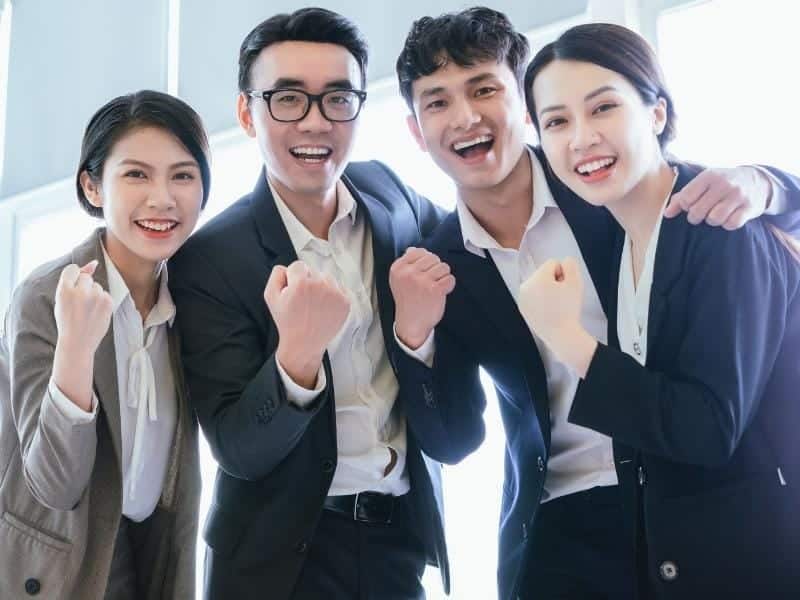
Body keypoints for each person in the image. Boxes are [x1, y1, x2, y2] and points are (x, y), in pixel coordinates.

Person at [389, 7, 800, 600]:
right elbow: (453, 441)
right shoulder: (438, 263)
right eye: (437, 103)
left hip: (685, 488)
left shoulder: (605, 182)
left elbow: (721, 217)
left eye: (485, 89)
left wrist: (767, 183)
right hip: (560, 518)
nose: (466, 117)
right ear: (416, 130)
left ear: (523, 107)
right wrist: (414, 337)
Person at [168, 8, 449, 600]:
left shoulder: (388, 193)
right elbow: (237, 449)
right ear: (248, 113)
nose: (316, 123)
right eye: (288, 100)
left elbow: (478, 241)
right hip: (278, 563)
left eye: (338, 99)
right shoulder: (209, 259)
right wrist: (295, 360)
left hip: (398, 544)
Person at [520, 22, 800, 599]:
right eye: (557, 122)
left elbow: (706, 428)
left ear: (655, 113)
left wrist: (569, 341)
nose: (581, 139)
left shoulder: (721, 225)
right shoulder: (623, 240)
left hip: (763, 558)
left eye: (603, 108)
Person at [0, 90, 208, 599]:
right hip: (59, 564)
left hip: (149, 558)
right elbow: (54, 486)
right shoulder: (46, 297)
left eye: (182, 175)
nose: (162, 198)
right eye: (136, 174)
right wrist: (75, 347)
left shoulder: (196, 297)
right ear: (93, 187)